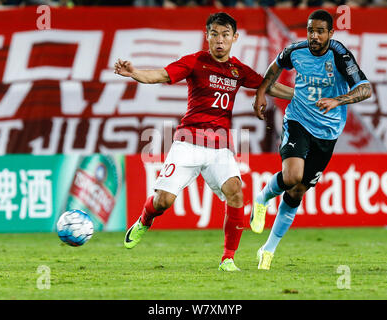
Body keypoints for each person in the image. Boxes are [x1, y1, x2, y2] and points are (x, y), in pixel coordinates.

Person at [114, 12, 293, 271]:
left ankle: (227, 259)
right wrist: (134, 73)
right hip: (187, 143)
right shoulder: (196, 61)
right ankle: (144, 220)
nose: (219, 40)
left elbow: (270, 86)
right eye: (214, 34)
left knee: (236, 193)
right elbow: (161, 76)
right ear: (206, 35)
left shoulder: (238, 70)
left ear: (235, 38)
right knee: (163, 201)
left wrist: (303, 96)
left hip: (219, 148)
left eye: (225, 35)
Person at [250, 9, 372, 270]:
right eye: (310, 30)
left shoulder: (340, 55)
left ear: (330, 33)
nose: (314, 36)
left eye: (319, 31)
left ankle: (267, 250)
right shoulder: (296, 50)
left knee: (297, 191)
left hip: (328, 132)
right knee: (292, 175)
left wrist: (337, 100)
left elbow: (365, 88)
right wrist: (261, 93)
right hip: (298, 120)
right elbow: (274, 69)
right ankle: (262, 198)